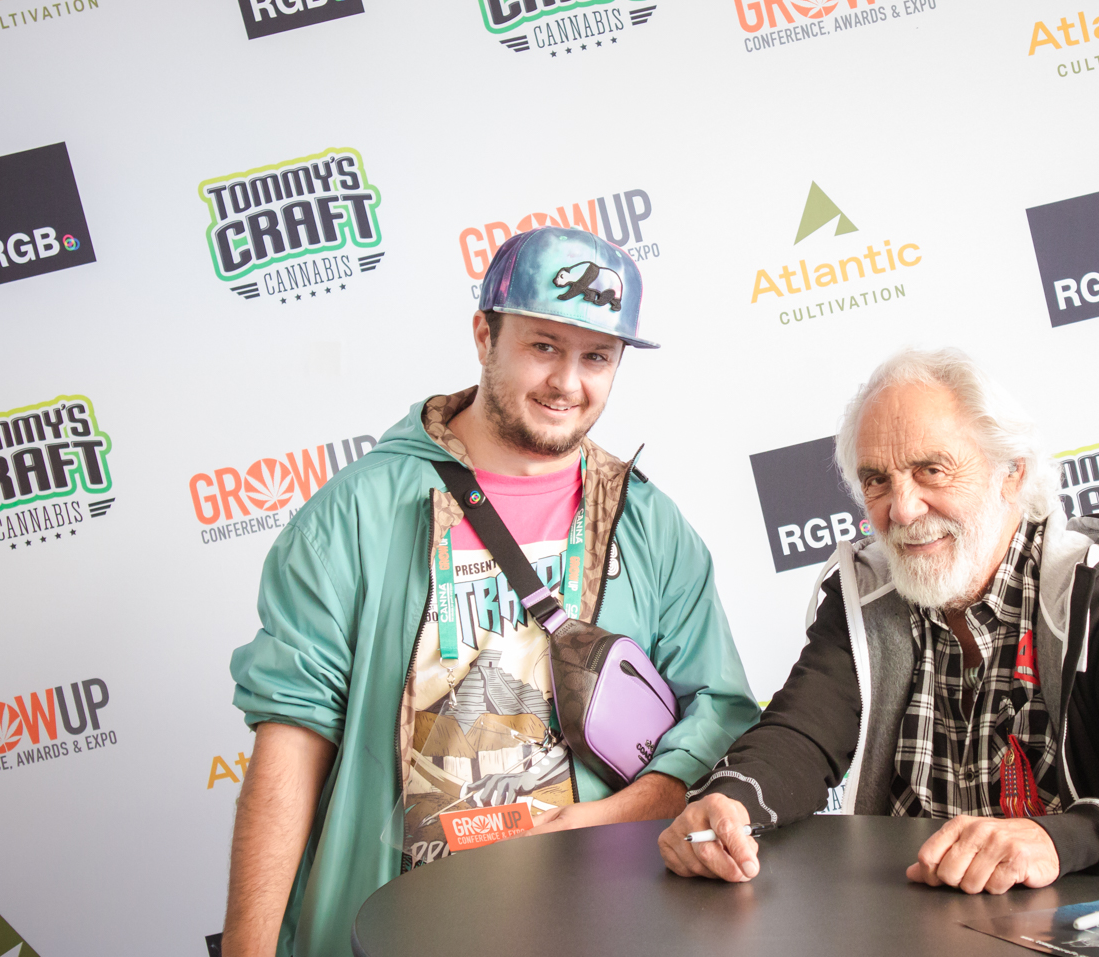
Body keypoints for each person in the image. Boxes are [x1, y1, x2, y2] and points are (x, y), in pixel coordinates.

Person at [224, 227, 760, 957]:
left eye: (596, 357)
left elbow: (719, 711)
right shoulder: (355, 515)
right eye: (543, 346)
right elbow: (289, 743)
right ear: (484, 335)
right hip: (397, 925)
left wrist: (619, 814)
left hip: (603, 920)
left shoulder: (646, 522)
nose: (567, 382)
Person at [659, 347, 1099, 893]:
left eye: (932, 470)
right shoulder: (866, 595)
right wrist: (730, 802)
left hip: (1068, 926)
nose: (902, 509)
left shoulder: (1098, 594)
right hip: (907, 917)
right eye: (877, 481)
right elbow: (801, 735)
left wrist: (1056, 839)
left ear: (1011, 472)